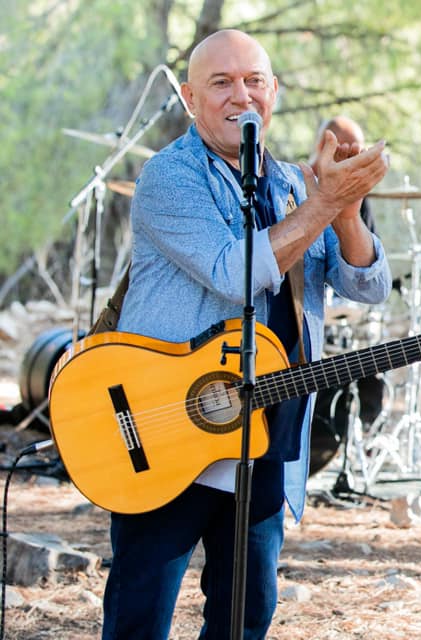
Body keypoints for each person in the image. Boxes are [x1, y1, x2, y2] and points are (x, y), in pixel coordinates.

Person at [100, 30, 392, 639]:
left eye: (254, 81)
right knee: (140, 620)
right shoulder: (168, 176)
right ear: (190, 98)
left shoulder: (293, 184)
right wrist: (323, 204)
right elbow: (234, 272)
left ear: (273, 91)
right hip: (164, 434)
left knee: (247, 617)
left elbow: (366, 285)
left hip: (263, 435)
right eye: (222, 83)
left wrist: (344, 211)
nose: (242, 96)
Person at [306, 115, 386, 475]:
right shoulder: (290, 186)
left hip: (340, 309)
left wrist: (349, 214)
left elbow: (370, 282)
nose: (353, 158)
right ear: (323, 146)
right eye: (345, 150)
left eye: (358, 151)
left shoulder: (357, 197)